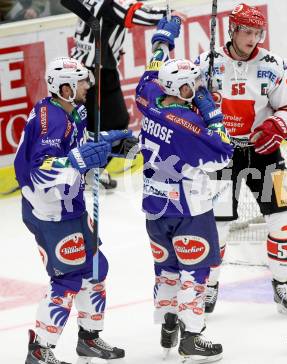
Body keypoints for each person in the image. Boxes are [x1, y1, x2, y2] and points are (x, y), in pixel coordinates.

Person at [14, 57, 131, 364]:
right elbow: (39, 172)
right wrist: (77, 161)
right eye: (81, 82)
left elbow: (76, 146)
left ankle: (88, 339)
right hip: (52, 213)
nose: (87, 86)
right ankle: (39, 351)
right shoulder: (49, 120)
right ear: (65, 87)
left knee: (95, 270)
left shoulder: (71, 110)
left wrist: (107, 143)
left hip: (72, 205)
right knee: (67, 280)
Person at [135, 16, 233, 363]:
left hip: (154, 206)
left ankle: (167, 325)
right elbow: (223, 151)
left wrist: (163, 40)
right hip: (189, 210)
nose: (197, 87)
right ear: (180, 90)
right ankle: (192, 337)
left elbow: (151, 70)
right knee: (196, 272)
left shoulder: (148, 98)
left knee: (167, 270)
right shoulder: (189, 126)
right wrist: (210, 111)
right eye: (193, 85)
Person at [194, 3, 287, 316]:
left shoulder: (274, 64)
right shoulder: (207, 63)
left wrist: (277, 125)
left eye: (257, 32)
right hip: (221, 154)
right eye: (247, 32)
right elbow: (186, 103)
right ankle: (209, 285)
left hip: (265, 152)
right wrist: (203, 106)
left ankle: (282, 285)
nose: (253, 38)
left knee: (285, 216)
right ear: (232, 30)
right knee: (219, 222)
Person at [70, 0, 170, 189]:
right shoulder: (109, 2)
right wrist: (167, 15)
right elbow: (133, 12)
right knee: (93, 126)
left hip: (97, 67)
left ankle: (91, 170)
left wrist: (110, 48)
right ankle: (83, 171)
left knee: (111, 123)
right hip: (92, 71)